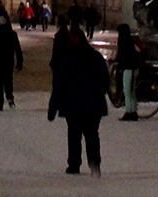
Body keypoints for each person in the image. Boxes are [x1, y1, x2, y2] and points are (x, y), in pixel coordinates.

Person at [47, 16, 111, 176]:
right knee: (91, 135)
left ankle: (75, 164)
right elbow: (105, 80)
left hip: (73, 103)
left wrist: (53, 107)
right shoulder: (95, 57)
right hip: (91, 103)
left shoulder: (67, 59)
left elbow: (59, 84)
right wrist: (98, 91)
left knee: (75, 134)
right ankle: (93, 163)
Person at [0, 10, 23, 111]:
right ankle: (10, 97)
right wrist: (19, 61)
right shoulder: (12, 34)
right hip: (8, 60)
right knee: (8, 80)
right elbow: (17, 48)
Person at [113, 24, 145, 121]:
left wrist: (115, 61)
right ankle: (133, 111)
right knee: (131, 91)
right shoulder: (130, 40)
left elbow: (121, 56)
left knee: (127, 91)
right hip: (134, 68)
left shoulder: (123, 41)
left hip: (128, 68)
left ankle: (129, 112)